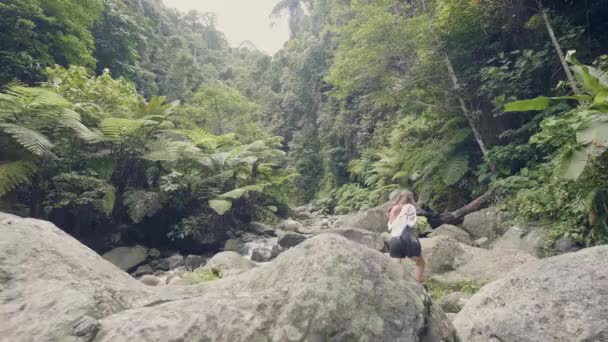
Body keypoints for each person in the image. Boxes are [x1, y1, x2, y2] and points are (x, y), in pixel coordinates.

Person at [387, 191, 425, 283]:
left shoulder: (392, 209)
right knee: (420, 263)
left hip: (394, 240)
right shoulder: (410, 207)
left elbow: (390, 226)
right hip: (407, 238)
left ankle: (397, 287)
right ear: (411, 198)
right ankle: (417, 286)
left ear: (399, 198)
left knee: (396, 268)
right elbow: (411, 223)